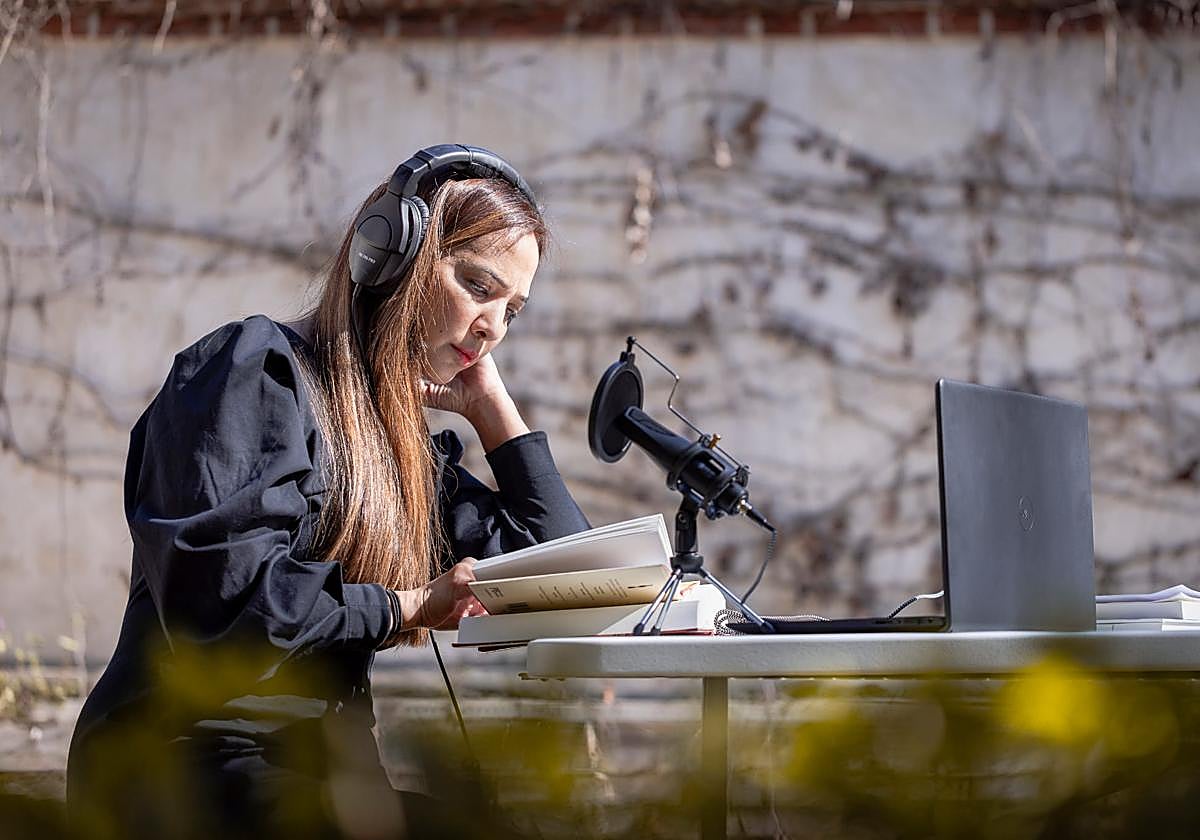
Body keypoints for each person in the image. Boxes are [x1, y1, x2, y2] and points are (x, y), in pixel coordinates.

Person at [66, 146, 590, 838]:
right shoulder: (251, 373)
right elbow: (224, 602)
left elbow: (571, 571)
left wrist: (492, 408)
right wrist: (404, 604)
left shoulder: (398, 451)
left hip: (323, 772)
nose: (493, 325)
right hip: (189, 762)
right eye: (478, 285)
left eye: (512, 311)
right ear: (391, 256)